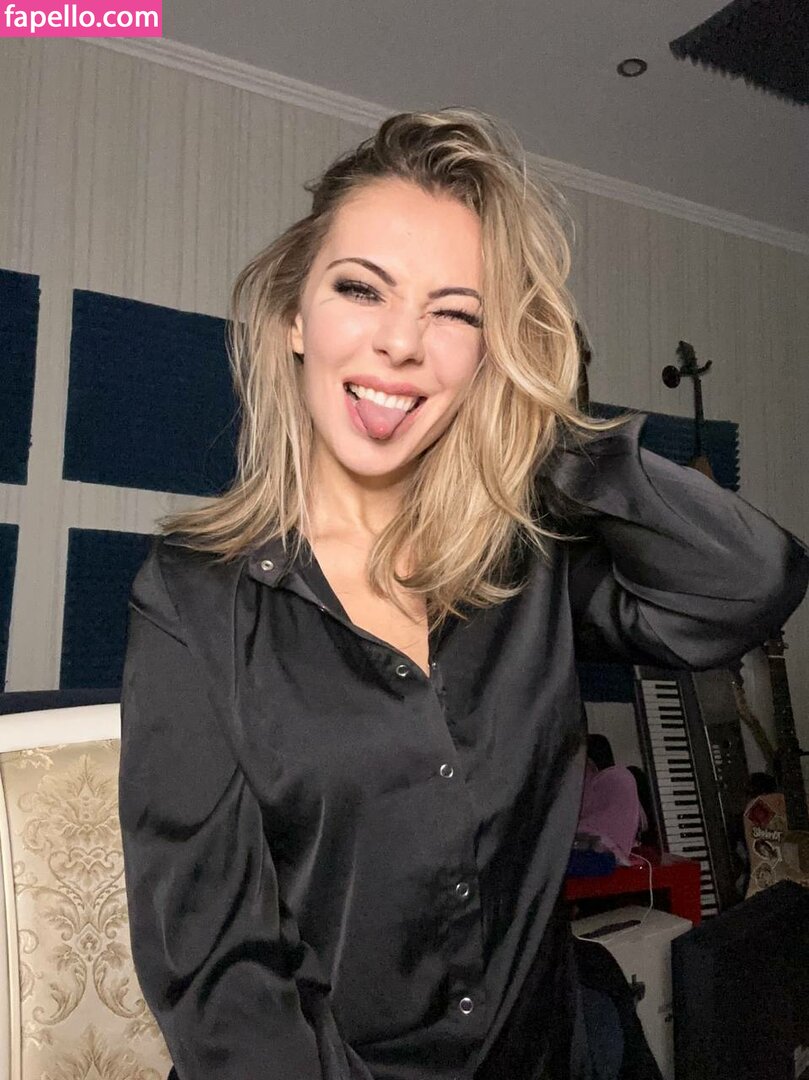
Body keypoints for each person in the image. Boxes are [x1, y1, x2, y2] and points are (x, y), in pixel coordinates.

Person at [119, 108, 809, 1080]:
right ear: (293, 317)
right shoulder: (191, 595)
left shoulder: (521, 560)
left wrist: (545, 425)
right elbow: (219, 977)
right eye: (361, 288)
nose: (402, 342)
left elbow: (748, 586)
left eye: (454, 312)